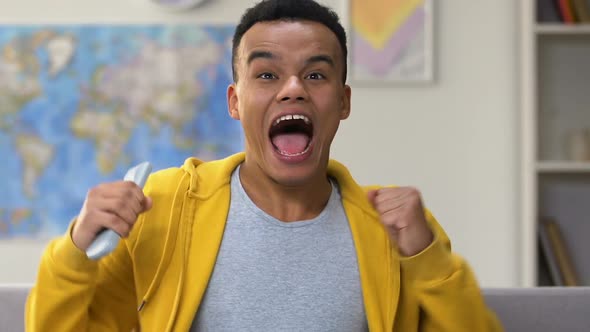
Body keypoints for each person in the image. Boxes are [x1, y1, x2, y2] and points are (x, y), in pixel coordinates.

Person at [26, 0, 503, 331]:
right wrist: (73, 251)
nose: (292, 88)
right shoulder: (162, 209)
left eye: (316, 74)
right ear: (235, 101)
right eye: (267, 74)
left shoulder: (397, 229)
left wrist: (427, 261)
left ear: (343, 101)